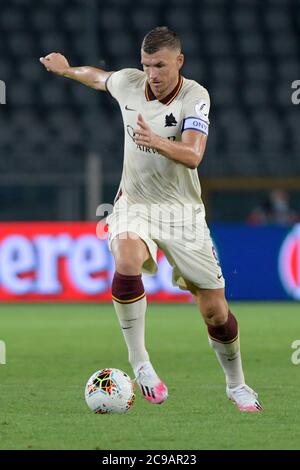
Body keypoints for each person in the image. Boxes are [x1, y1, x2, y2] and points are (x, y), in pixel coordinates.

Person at [40, 26, 262, 412]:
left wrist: (155, 140)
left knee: (216, 312)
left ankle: (237, 384)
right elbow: (100, 78)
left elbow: (194, 155)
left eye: (160, 65)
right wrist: (68, 70)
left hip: (182, 213)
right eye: (146, 65)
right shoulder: (130, 83)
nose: (153, 73)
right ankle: (140, 363)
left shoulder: (195, 96)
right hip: (135, 203)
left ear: (179, 61)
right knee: (126, 258)